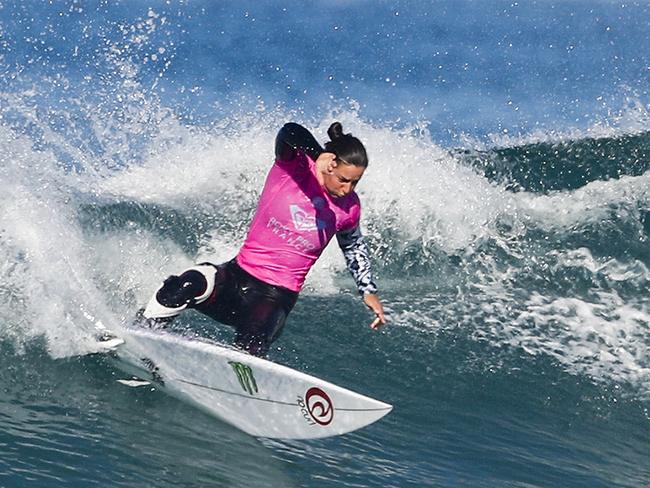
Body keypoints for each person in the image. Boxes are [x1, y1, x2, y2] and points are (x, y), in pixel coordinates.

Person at [139, 121, 386, 356]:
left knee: (255, 338)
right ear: (329, 164)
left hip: (275, 297)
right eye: (343, 180)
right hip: (236, 276)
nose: (347, 189)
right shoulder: (293, 168)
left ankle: (239, 384)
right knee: (188, 283)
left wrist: (367, 290)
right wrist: (315, 152)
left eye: (355, 182)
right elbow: (289, 132)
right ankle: (141, 334)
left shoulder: (349, 208)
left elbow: (353, 245)